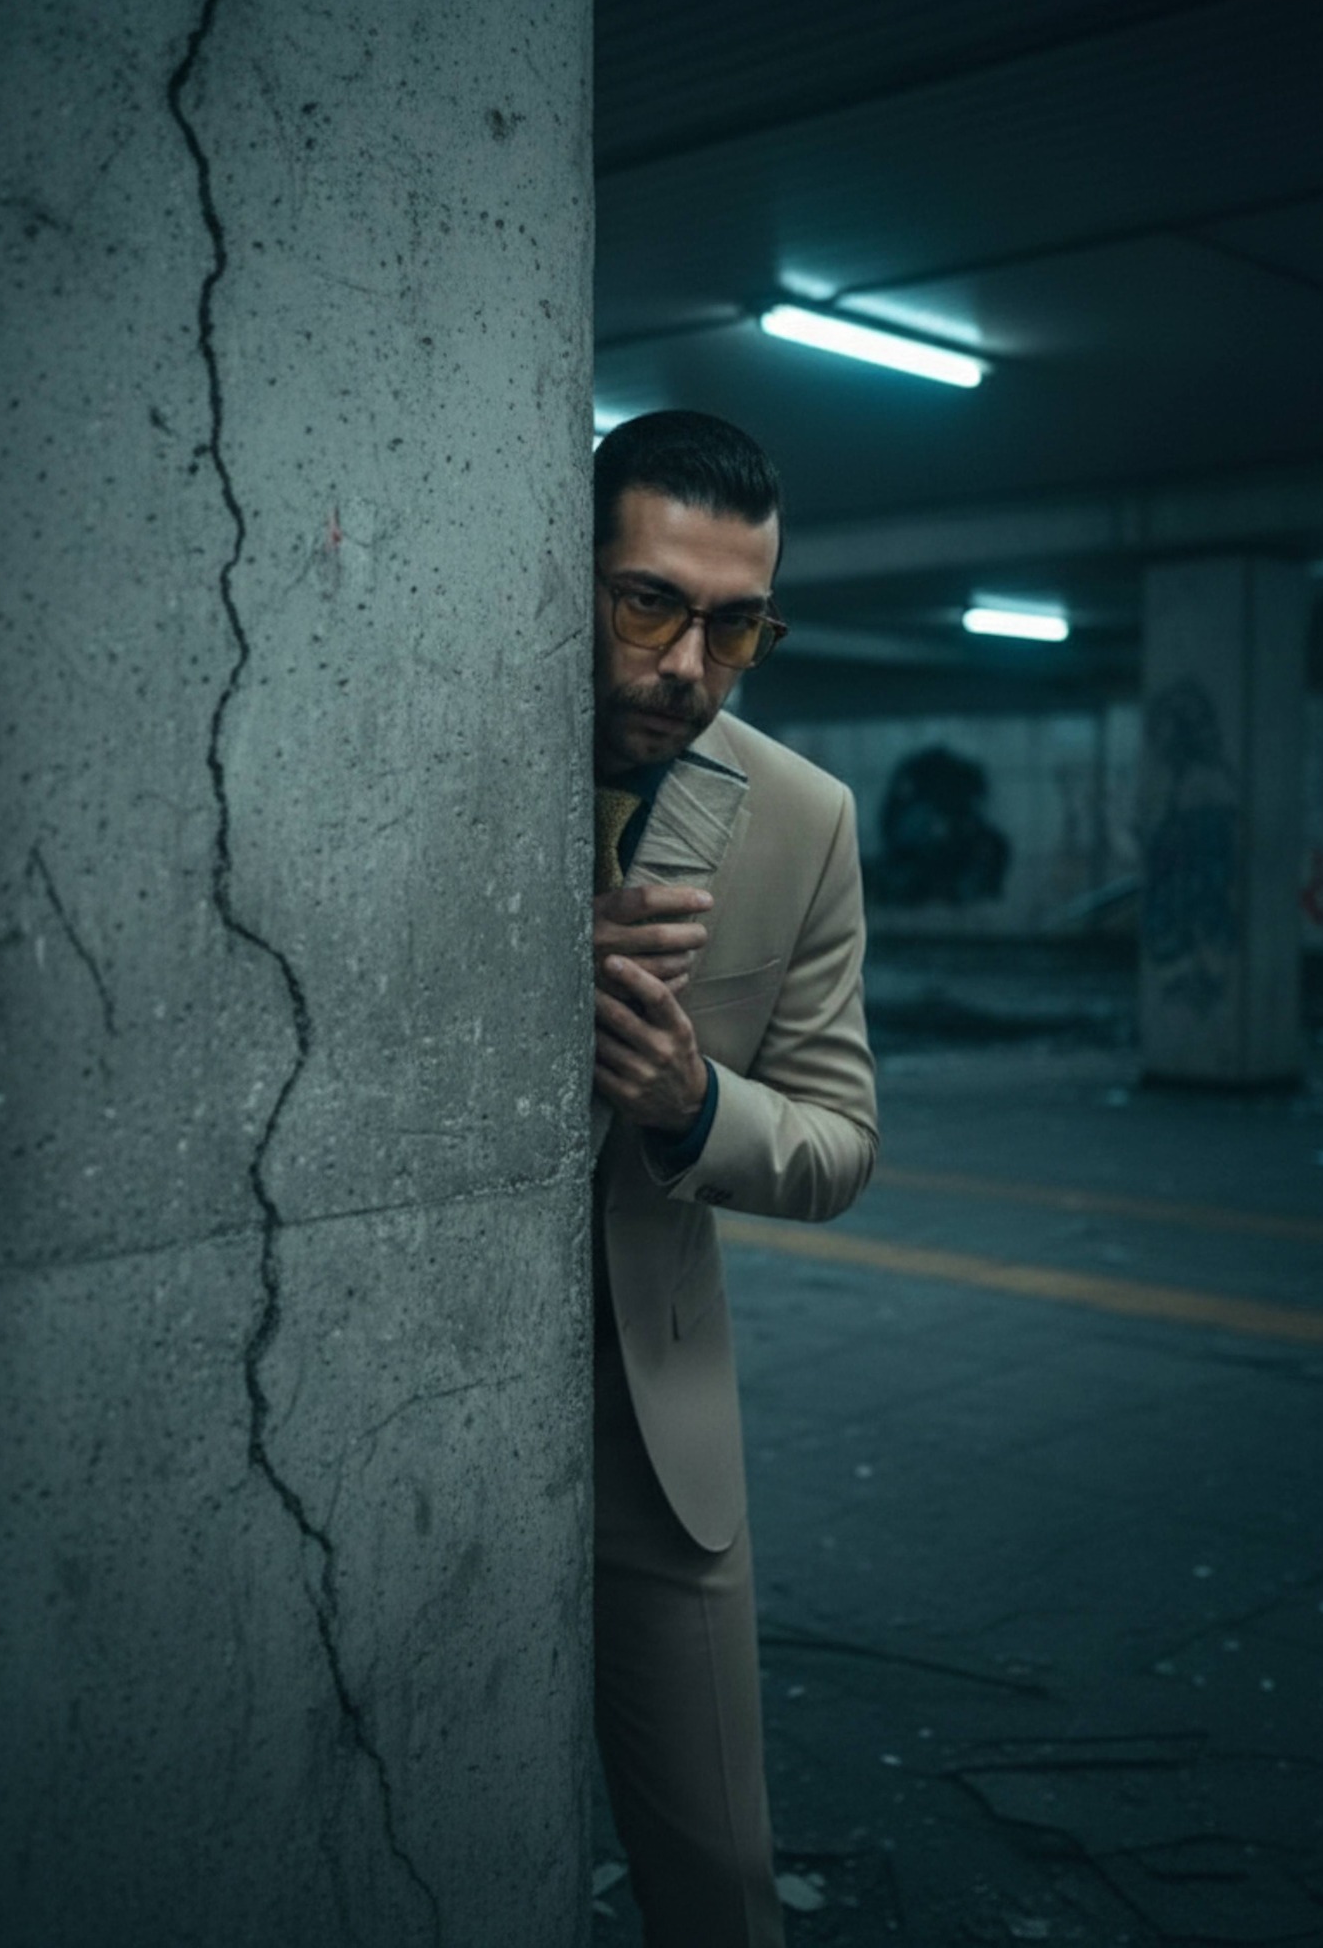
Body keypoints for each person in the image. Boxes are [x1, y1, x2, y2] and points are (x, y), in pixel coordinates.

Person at [590, 410, 879, 1948]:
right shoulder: (419, 751)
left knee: (721, 1887)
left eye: (735, 626)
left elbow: (839, 1142)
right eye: (648, 603)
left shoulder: (806, 818)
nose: (688, 667)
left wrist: (698, 1107)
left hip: (649, 1417)